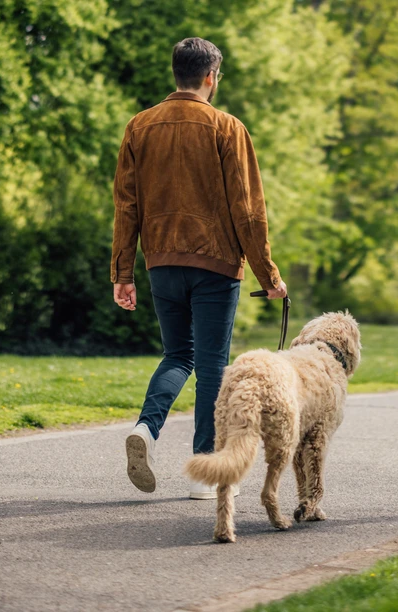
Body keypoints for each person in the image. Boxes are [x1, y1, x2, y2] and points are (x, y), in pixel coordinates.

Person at [111, 38, 287, 500]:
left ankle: (146, 431)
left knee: (177, 356)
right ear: (211, 76)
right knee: (212, 367)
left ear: (177, 73)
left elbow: (126, 207)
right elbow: (248, 210)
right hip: (216, 263)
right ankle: (203, 473)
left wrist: (123, 273)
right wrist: (269, 277)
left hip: (162, 262)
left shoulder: (139, 126)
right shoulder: (227, 128)